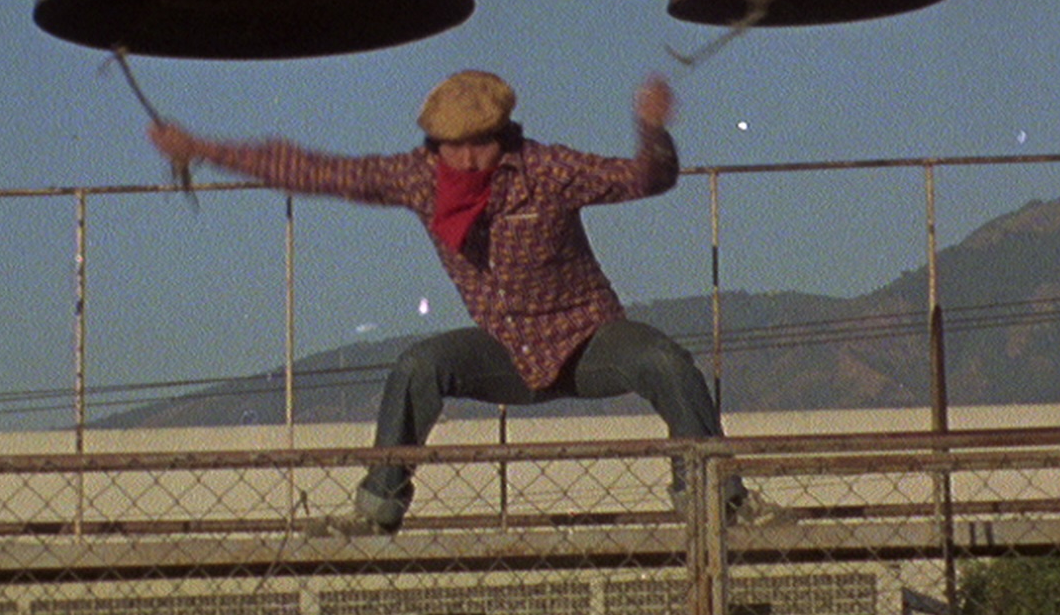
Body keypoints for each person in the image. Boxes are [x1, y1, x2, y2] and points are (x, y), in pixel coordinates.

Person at [148, 70, 745, 532]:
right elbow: (317, 170)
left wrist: (652, 130)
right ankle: (378, 508)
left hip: (587, 340)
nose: (463, 161)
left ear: (502, 137)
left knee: (663, 360)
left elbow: (646, 179)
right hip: (506, 351)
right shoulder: (420, 179)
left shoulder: (547, 169)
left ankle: (715, 499)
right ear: (432, 144)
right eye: (449, 148)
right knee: (418, 365)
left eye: (476, 147)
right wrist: (201, 147)